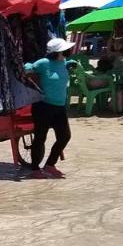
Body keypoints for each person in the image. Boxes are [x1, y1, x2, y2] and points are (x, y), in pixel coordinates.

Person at [25, 38, 74, 179]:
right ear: (58, 51)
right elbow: (28, 67)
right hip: (43, 106)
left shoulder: (63, 63)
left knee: (65, 136)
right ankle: (35, 169)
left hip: (60, 106)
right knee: (40, 138)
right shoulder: (43, 63)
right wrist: (29, 70)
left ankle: (50, 165)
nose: (68, 50)